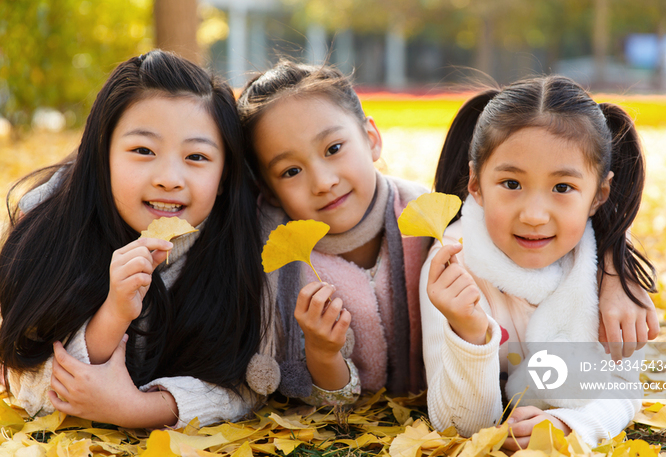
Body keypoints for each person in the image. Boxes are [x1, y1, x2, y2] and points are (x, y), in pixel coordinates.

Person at [0, 50, 267, 428]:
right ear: (101, 155)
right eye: (143, 150)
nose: (169, 178)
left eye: (196, 156)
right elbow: (27, 384)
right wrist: (114, 313)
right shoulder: (54, 230)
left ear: (224, 176)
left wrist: (137, 409)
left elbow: (246, 381)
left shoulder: (241, 244)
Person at [420, 76, 657, 447]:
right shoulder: (451, 269)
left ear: (599, 195)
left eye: (562, 188)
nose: (533, 215)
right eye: (511, 184)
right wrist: (468, 332)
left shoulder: (608, 277)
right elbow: (454, 423)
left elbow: (623, 391)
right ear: (476, 183)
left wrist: (568, 426)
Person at [236, 61, 429, 405]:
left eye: (334, 149)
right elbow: (330, 402)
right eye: (291, 170)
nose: (324, 182)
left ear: (371, 139)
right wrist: (323, 354)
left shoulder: (429, 223)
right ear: (268, 189)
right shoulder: (275, 263)